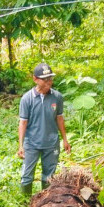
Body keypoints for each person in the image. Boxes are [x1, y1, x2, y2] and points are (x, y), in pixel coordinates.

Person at [17, 63, 71, 195]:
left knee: (49, 175)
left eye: (50, 79)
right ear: (35, 79)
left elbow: (59, 118)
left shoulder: (57, 97)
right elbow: (23, 122)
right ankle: (26, 202)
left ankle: (46, 202)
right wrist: (20, 145)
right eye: (45, 79)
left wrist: (65, 139)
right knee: (27, 175)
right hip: (32, 143)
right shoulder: (27, 98)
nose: (49, 82)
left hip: (51, 142)